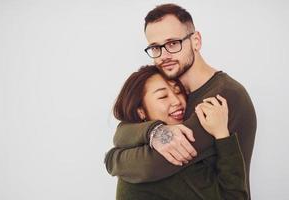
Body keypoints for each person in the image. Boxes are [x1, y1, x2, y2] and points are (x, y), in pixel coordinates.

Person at [105, 3, 256, 199]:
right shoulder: (179, 95)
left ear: (196, 41)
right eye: (155, 47)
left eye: (173, 43)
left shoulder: (223, 95)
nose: (164, 55)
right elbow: (124, 129)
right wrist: (154, 131)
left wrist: (112, 159)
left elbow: (151, 166)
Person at [105, 65, 247, 199]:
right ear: (141, 111)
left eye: (178, 91)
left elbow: (113, 154)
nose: (176, 101)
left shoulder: (132, 153)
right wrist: (223, 135)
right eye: (162, 96)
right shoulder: (174, 155)